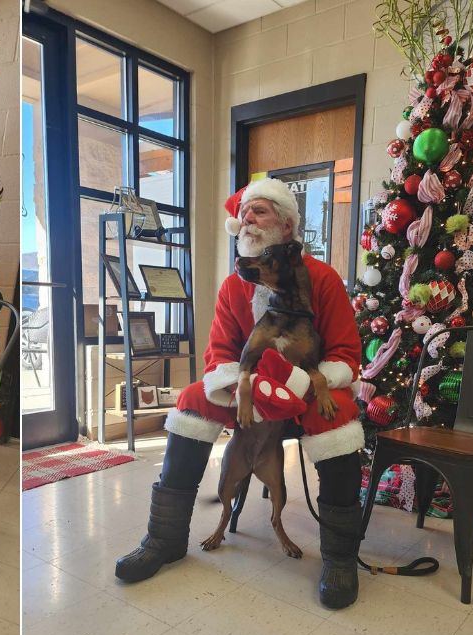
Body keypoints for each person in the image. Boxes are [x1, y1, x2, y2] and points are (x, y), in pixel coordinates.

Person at [115, 178, 365, 610]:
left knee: (337, 416)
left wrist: (301, 386)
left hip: (308, 386)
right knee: (193, 398)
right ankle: (165, 538)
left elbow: (346, 354)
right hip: (247, 387)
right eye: (246, 213)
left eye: (261, 211)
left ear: (286, 227)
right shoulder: (234, 285)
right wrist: (241, 384)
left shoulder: (323, 279)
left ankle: (340, 558)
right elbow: (219, 353)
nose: (248, 219)